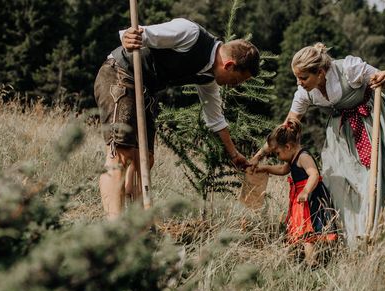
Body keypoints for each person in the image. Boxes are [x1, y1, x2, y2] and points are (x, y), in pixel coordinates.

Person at [252, 43, 385, 248]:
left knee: (372, 182)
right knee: (337, 185)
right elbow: (284, 132)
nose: (299, 83)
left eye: (303, 78)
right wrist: (258, 156)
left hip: (370, 125)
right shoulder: (305, 93)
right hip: (340, 135)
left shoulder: (349, 69)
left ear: (320, 72)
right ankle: (353, 241)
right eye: (297, 77)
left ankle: (384, 235)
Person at [94, 18, 260, 219]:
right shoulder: (190, 33)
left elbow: (215, 119)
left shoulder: (207, 77)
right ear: (230, 65)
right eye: (236, 81)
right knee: (120, 154)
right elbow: (140, 35)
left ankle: (137, 223)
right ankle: (114, 230)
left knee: (145, 159)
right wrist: (129, 37)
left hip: (147, 91)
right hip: (120, 75)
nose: (233, 86)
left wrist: (234, 155)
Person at [253, 121, 338, 266]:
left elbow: (314, 174)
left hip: (311, 197)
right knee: (302, 230)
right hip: (300, 198)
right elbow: (283, 170)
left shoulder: (303, 156)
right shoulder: (292, 157)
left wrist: (306, 191)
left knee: (308, 231)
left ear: (288, 146)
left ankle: (313, 263)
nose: (277, 156)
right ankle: (304, 259)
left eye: (277, 153)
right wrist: (266, 168)